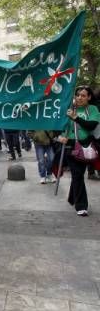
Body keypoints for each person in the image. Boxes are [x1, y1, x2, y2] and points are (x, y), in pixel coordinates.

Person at [57, 86, 100, 216]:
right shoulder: (68, 108)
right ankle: (81, 205)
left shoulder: (92, 109)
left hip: (85, 146)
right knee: (77, 174)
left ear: (89, 97)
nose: (80, 98)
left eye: (83, 95)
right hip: (70, 146)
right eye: (78, 95)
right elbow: (56, 126)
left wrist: (76, 118)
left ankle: (72, 196)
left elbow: (91, 125)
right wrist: (59, 137)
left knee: (78, 174)